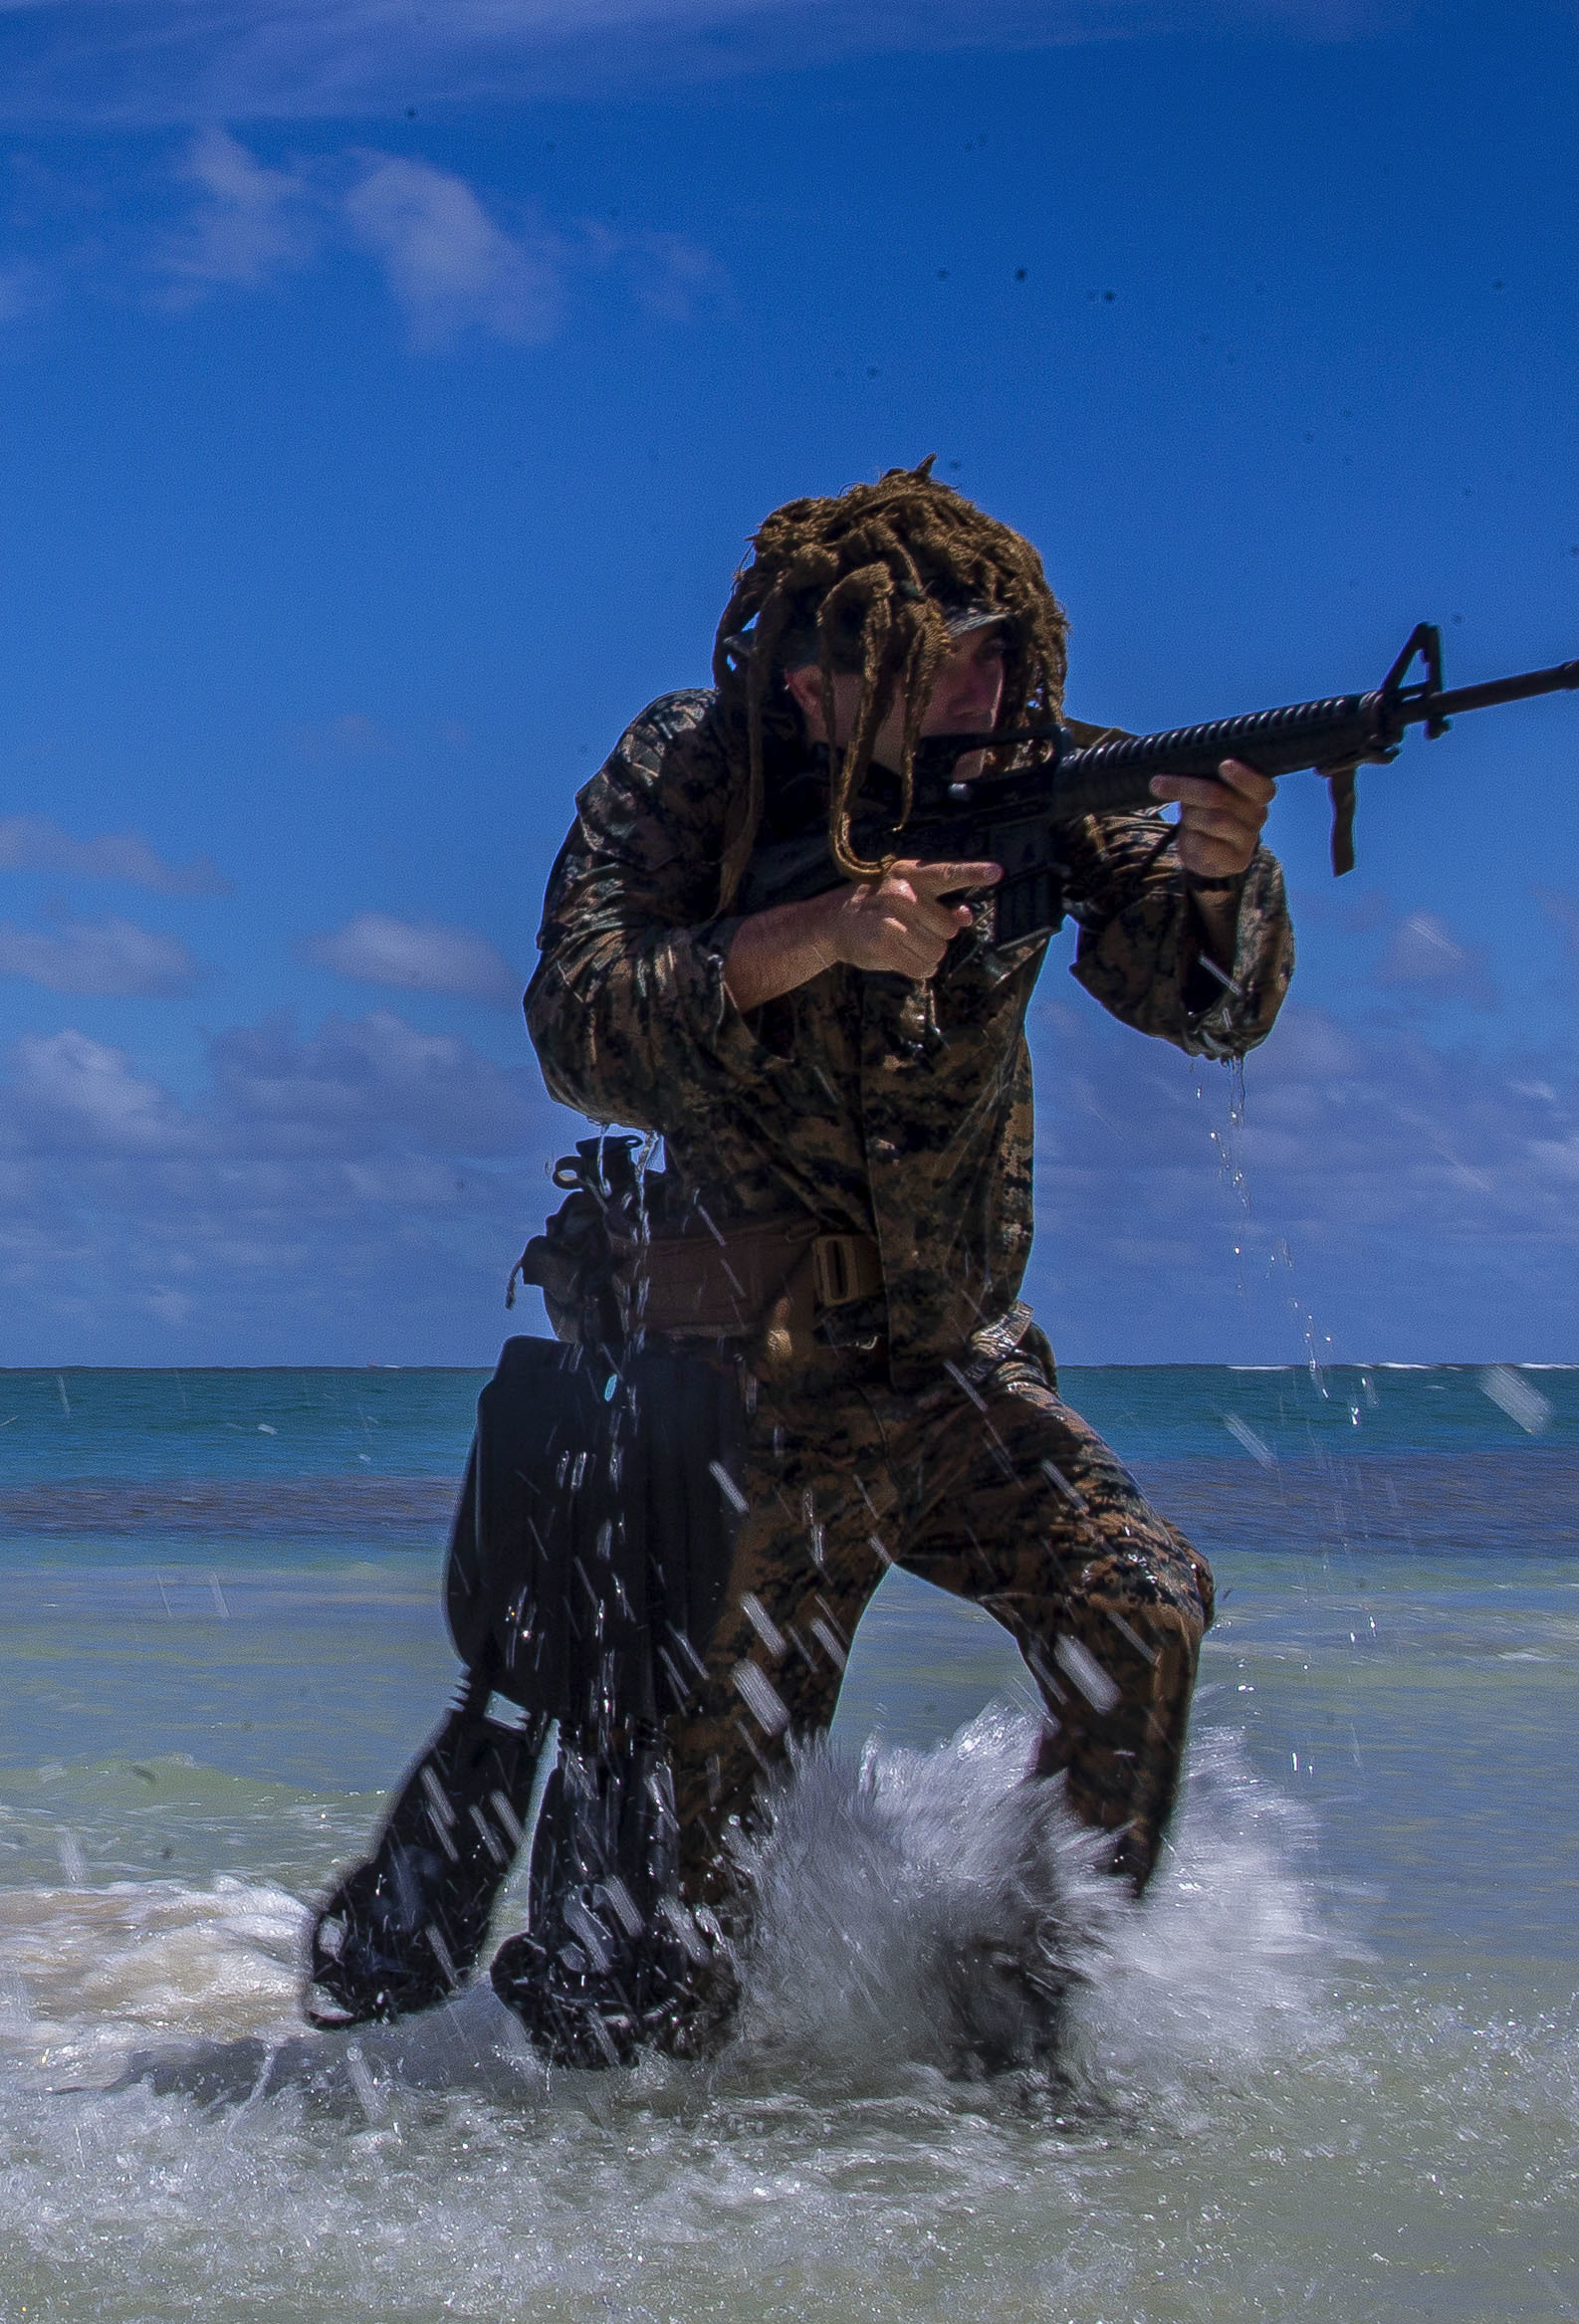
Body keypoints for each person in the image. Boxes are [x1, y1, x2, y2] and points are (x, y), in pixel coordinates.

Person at [505, 461, 1291, 2063]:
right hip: (737, 1397)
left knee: (1138, 1605)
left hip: (954, 1367)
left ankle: (1011, 2030)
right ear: (813, 684)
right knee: (658, 1961)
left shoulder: (1048, 775)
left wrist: (1221, 879)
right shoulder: (692, 768)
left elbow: (1205, 1004)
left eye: (1003, 656)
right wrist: (816, 935)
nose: (988, 698)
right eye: (937, 669)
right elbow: (576, 1026)